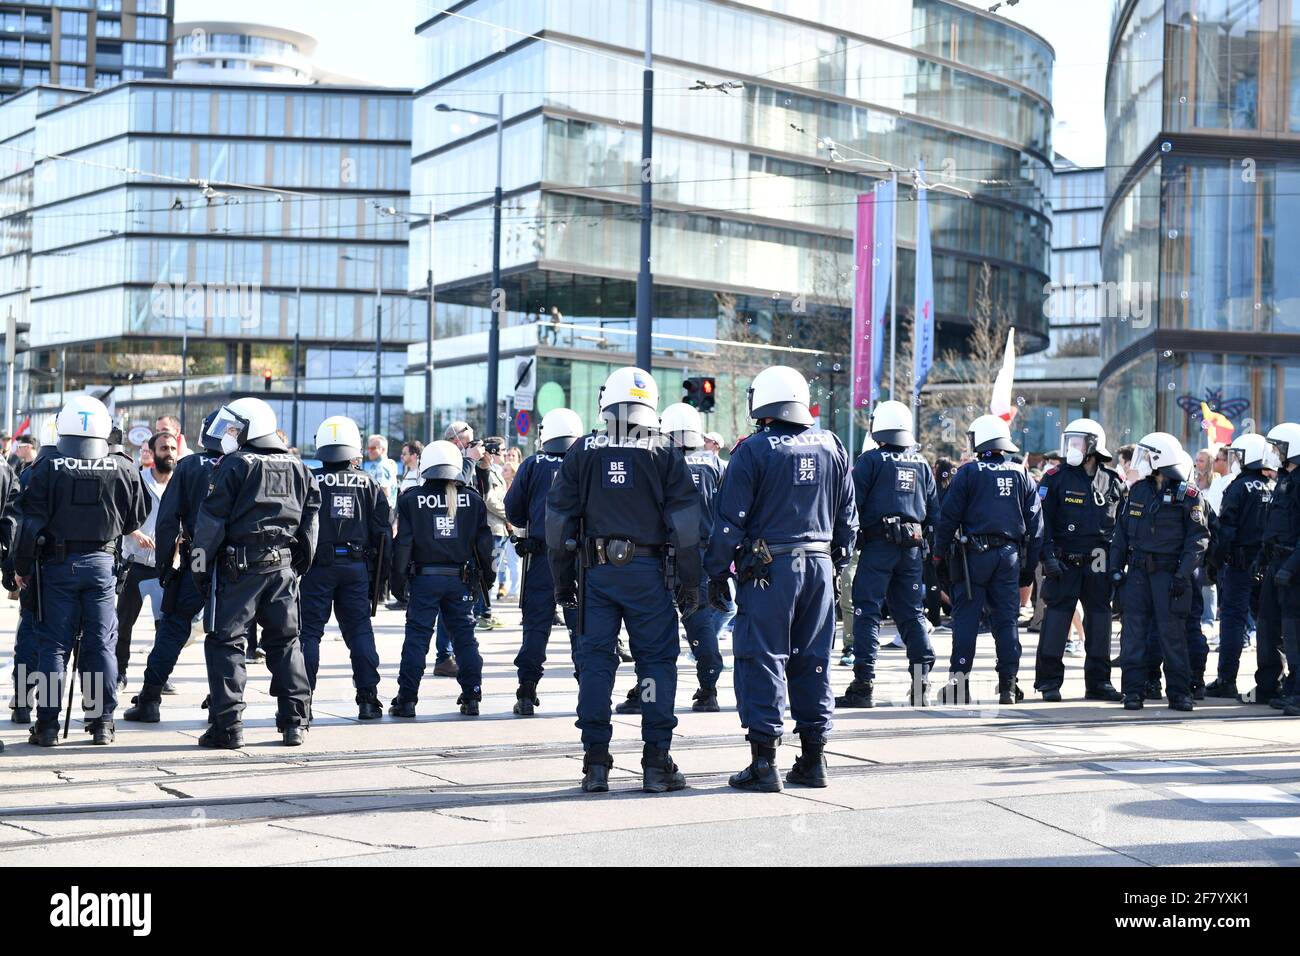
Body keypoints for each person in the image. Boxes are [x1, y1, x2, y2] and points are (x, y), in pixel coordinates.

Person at [547, 367, 701, 794]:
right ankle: (655, 762)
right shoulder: (665, 451)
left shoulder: (584, 450)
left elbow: (558, 524)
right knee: (654, 665)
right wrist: (690, 584)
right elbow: (687, 528)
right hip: (649, 576)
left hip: (596, 575)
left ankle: (595, 762)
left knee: (596, 665)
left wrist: (563, 583)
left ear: (607, 401)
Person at [705, 366, 856, 792]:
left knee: (763, 656)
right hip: (820, 565)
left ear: (763, 401)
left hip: (769, 569)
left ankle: (764, 763)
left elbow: (730, 522)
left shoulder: (754, 450)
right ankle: (813, 759)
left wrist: (717, 572)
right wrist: (836, 560)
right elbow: (848, 515)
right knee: (814, 659)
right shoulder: (833, 444)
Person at [14, 396, 147, 746]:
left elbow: (28, 524)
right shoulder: (124, 465)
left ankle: (46, 726)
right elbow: (136, 517)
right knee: (100, 645)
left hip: (56, 567)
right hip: (102, 566)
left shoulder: (44, 466)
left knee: (53, 648)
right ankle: (101, 720)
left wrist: (22, 568)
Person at [190, 398, 320, 748]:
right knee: (286, 642)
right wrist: (298, 565)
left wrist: (199, 567)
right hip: (283, 568)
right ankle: (295, 722)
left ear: (252, 427)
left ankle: (228, 727)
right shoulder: (299, 466)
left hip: (239, 569)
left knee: (226, 642)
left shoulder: (234, 465)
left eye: (235, 428)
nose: (229, 435)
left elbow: (210, 523)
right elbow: (311, 523)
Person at [122, 410, 226, 724]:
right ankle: (225, 703)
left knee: (174, 624)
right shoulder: (247, 465)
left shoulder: (190, 466)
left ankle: (150, 698)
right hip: (237, 560)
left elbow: (169, 521)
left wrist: (167, 566)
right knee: (230, 633)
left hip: (198, 556)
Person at [933, 415, 1042, 705]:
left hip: (973, 558)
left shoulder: (968, 473)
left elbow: (947, 518)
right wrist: (1029, 568)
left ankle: (959, 685)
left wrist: (937, 554)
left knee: (966, 620)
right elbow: (1036, 527)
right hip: (1009, 556)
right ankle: (1008, 685)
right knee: (1006, 621)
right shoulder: (1022, 474)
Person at [836, 401, 936, 709]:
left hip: (877, 546)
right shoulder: (922, 464)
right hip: (912, 549)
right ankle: (921, 682)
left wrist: (846, 543)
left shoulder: (870, 462)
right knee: (912, 614)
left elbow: (851, 507)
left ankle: (863, 684)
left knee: (867, 612)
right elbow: (934, 512)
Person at [388, 441, 492, 718]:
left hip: (424, 579)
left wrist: (397, 583)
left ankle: (407, 699)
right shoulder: (473, 499)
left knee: (416, 640)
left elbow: (403, 546)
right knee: (465, 638)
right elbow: (484, 547)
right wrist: (487, 582)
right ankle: (472, 695)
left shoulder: (411, 499)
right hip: (460, 580)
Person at [299, 416, 392, 720]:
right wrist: (380, 580)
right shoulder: (369, 482)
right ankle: (368, 699)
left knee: (309, 634)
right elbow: (382, 532)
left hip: (317, 567)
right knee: (360, 633)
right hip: (356, 566)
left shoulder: (309, 478)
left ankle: (303, 702)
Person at [1110, 432, 1209, 712]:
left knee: (1173, 636)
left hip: (1170, 575)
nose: (1139, 462)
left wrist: (1182, 575)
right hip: (1139, 573)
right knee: (1133, 635)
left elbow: (1198, 539)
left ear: (1158, 459)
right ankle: (1133, 692)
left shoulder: (1188, 495)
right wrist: (1115, 570)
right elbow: (1121, 535)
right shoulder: (1139, 491)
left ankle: (1179, 694)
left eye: (1146, 456)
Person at [1032, 418, 1125, 702]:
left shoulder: (1111, 481)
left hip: (1099, 561)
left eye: (1077, 441)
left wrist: (1118, 565)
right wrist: (1046, 556)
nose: (1071, 446)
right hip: (1063, 560)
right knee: (1056, 622)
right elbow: (1041, 522)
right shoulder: (1055, 477)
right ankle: (1049, 682)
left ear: (1093, 447)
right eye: (1069, 440)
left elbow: (1121, 527)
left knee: (1099, 622)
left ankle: (1098, 682)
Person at [503, 407, 583, 716]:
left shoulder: (532, 464)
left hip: (540, 557)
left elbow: (513, 510)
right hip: (579, 559)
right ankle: (588, 690)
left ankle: (526, 691)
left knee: (535, 627)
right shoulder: (585, 461)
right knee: (581, 628)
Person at [654, 402, 725, 712]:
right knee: (701, 619)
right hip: (704, 552)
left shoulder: (659, 460)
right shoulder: (716, 464)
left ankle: (650, 690)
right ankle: (708, 687)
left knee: (655, 622)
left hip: (665, 551)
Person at [1206, 433, 1272, 698]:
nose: (1234, 460)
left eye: (1238, 455)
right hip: (1265, 564)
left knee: (1232, 621)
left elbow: (1226, 531)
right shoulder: (1271, 486)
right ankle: (1271, 680)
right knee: (1267, 623)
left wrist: (1215, 562)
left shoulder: (1238, 487)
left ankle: (1226, 680)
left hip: (1239, 564)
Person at [3, 420, 58, 724]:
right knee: (71, 646)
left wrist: (17, 568)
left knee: (32, 640)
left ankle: (25, 704)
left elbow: (19, 525)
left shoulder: (32, 474)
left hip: (40, 569)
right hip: (83, 573)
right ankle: (98, 715)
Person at [115, 431, 178, 690]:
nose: (170, 453)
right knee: (123, 624)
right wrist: (135, 533)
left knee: (164, 628)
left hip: (164, 567)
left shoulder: (180, 484)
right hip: (135, 564)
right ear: (152, 453)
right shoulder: (137, 480)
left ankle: (158, 676)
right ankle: (119, 672)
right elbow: (118, 515)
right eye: (164, 448)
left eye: (173, 448)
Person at [1254, 422, 1300, 710]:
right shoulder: (1284, 480)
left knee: (1294, 630)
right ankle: (1273, 683)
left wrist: (1292, 566)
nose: (1274, 453)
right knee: (1268, 625)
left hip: (1293, 566)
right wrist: (1263, 557)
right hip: (1276, 562)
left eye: (1278, 447)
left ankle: (1297, 689)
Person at [475, 437, 509, 626]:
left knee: (492, 572)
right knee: (489, 572)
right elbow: (489, 499)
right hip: (492, 527)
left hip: (499, 528)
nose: (504, 453)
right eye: (502, 450)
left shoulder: (495, 472)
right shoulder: (485, 471)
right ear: (492, 452)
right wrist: (508, 515)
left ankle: (485, 610)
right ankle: (483, 613)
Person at [362, 434, 399, 511]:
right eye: (368, 448)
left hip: (381, 511)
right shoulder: (384, 464)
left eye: (373, 448)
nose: (369, 451)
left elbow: (385, 492)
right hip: (384, 511)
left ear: (383, 450)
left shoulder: (381, 466)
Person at [444, 421, 483, 486]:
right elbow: (458, 488)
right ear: (455, 443)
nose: (471, 447)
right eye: (469, 443)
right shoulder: (442, 462)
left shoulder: (465, 462)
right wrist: (470, 459)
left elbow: (481, 493)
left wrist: (484, 469)